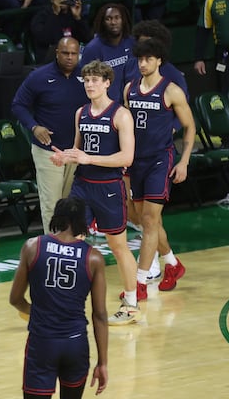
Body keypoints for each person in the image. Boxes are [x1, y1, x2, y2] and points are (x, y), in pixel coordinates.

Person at [49, 60, 139, 325]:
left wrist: (89, 159)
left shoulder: (120, 115)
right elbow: (79, 151)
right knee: (68, 240)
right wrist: (66, 157)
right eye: (86, 80)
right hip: (82, 185)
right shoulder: (81, 113)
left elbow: (127, 157)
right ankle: (63, 303)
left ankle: (131, 304)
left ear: (107, 82)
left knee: (118, 246)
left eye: (95, 80)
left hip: (109, 187)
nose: (90, 84)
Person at [9, 196, 108, 398]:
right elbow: (100, 315)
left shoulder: (33, 247)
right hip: (76, 343)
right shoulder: (94, 257)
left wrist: (36, 311)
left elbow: (15, 299)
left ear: (57, 217)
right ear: (82, 220)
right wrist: (103, 362)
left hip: (42, 342)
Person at [123, 38, 196, 300]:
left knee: (151, 220)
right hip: (135, 162)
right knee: (144, 220)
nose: (143, 64)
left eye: (148, 59)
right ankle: (173, 264)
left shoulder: (172, 90)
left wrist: (184, 160)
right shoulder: (129, 89)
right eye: (140, 59)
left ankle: (140, 283)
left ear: (159, 60)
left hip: (159, 160)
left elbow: (190, 126)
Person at [12, 37, 87, 234]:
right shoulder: (39, 76)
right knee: (52, 204)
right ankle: (53, 247)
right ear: (57, 53)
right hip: (48, 149)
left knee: (73, 203)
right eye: (65, 53)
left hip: (76, 150)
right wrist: (34, 126)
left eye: (74, 53)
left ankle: (74, 246)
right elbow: (18, 105)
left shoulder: (87, 76)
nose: (70, 57)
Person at [194, 0, 229, 149]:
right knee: (225, 97)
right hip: (225, 56)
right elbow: (203, 30)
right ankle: (227, 142)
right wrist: (199, 58)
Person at [79, 3, 138, 105]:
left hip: (131, 102)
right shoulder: (93, 49)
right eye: (108, 19)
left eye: (117, 18)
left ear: (123, 20)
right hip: (106, 108)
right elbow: (86, 82)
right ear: (102, 22)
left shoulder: (131, 42)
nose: (113, 22)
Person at [29, 0, 92, 65]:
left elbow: (87, 38)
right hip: (50, 59)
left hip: (72, 56)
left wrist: (78, 18)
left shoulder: (72, 14)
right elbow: (44, 39)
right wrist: (55, 14)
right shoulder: (42, 15)